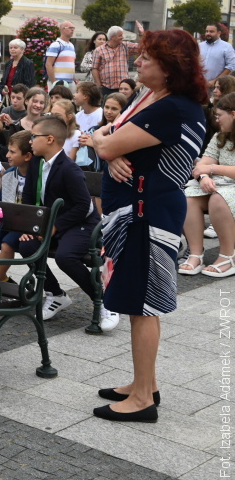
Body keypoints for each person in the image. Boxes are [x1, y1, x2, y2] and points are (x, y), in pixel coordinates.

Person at [90, 29, 208, 422]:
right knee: (139, 301)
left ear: (171, 67)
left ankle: (142, 399)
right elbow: (108, 140)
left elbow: (108, 142)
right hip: (137, 209)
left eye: (146, 58)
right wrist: (107, 150)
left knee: (143, 304)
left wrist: (105, 148)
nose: (137, 62)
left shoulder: (171, 108)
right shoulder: (152, 98)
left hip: (147, 212)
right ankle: (145, 382)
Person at [7, 116, 102, 322]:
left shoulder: (69, 168)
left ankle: (103, 300)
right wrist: (29, 227)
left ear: (49, 139)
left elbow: (83, 206)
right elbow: (29, 198)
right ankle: (56, 295)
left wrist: (55, 227)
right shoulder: (36, 164)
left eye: (34, 136)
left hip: (80, 224)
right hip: (51, 224)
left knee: (65, 257)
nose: (30, 141)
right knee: (27, 246)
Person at [182, 92, 235, 277]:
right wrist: (204, 177)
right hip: (221, 183)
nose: (217, 120)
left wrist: (213, 169)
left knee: (218, 199)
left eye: (220, 115)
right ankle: (196, 254)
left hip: (227, 188)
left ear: (233, 114)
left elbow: (209, 165)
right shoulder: (221, 136)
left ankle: (228, 256)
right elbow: (200, 166)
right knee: (188, 198)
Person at [92, 25, 142, 97]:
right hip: (106, 87)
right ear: (112, 37)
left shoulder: (125, 46)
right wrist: (99, 85)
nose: (122, 37)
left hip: (123, 88)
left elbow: (142, 47)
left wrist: (141, 34)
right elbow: (95, 68)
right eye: (120, 35)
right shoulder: (99, 50)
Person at [45, 21, 77, 91]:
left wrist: (74, 79)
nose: (72, 30)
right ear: (62, 29)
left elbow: (71, 64)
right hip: (58, 82)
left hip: (70, 82)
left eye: (73, 28)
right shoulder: (56, 45)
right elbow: (48, 64)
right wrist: (54, 82)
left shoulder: (71, 46)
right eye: (70, 28)